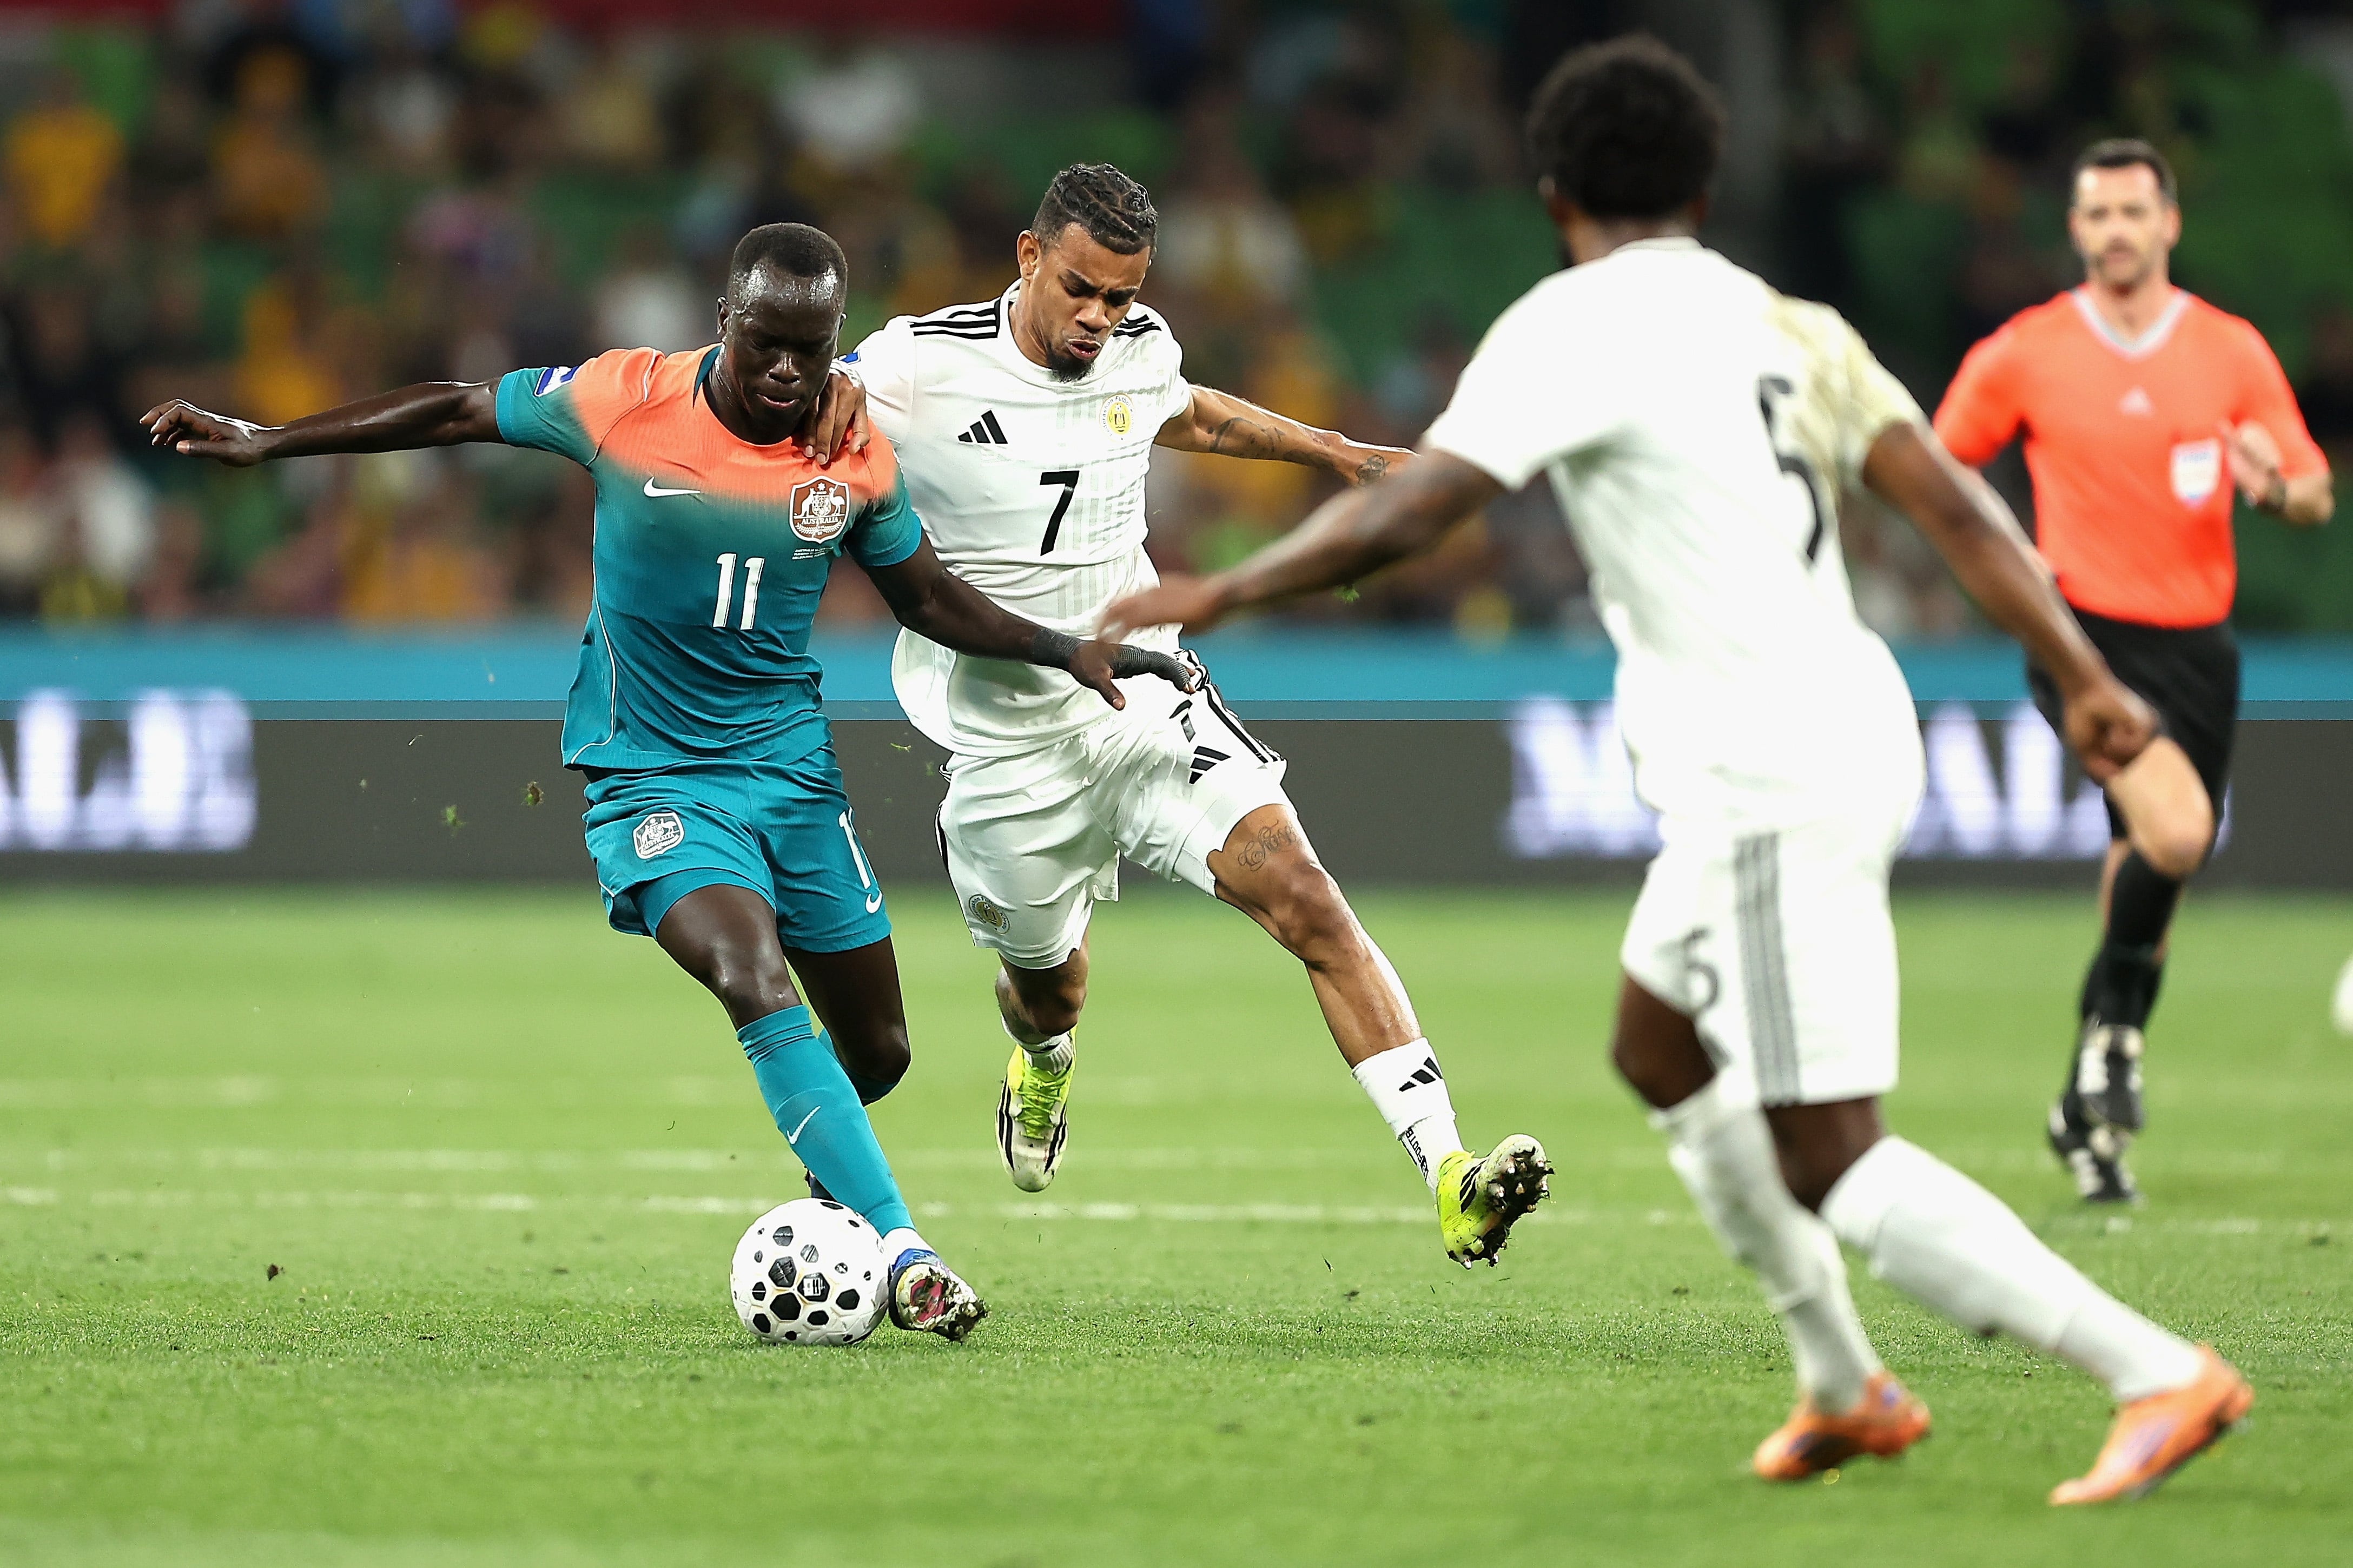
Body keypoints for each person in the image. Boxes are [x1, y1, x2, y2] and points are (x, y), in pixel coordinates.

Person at [1101, 37, 2250, 1506]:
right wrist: (2082, 679)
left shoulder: (1567, 327)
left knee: (1831, 1149)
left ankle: (2150, 1371)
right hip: (1842, 718)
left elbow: (1414, 515)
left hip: (1766, 763)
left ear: (1549, 192)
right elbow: (1955, 510)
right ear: (1703, 184)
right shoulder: (1791, 322)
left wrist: (1217, 592)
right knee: (1653, 1042)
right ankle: (1840, 1383)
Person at [142, 222, 1195, 1343]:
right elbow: (457, 405)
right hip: (651, 776)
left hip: (791, 779)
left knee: (879, 1052)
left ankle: (837, 1205)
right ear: (723, 325)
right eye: (767, 345)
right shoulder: (621, 401)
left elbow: (930, 600)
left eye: (812, 350)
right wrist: (268, 440)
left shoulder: (852, 454)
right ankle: (904, 1251)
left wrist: (1064, 649)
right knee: (751, 970)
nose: (789, 372)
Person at [823, 163, 1550, 1266]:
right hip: (1008, 747)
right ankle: (1046, 1060)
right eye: (1080, 289)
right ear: (1028, 257)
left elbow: (1188, 409)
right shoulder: (918, 365)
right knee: (1046, 987)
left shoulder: (1137, 345)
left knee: (1309, 899)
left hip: (1150, 701)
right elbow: (789, 398)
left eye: (1120, 298)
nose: (1099, 319)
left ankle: (1450, 1174)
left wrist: (1331, 449)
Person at [1932, 139, 2334, 1204]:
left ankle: (2083, 1101)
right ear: (2076, 229)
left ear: (2169, 224)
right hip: (2083, 644)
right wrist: (2006, 557)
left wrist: (2275, 490)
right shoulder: (2028, 350)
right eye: (2097, 213)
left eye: (2133, 213)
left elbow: (2314, 487)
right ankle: (2113, 1044)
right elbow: (1938, 463)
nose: (2115, 230)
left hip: (2201, 646)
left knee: (2147, 870)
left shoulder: (2230, 350)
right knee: (2182, 833)